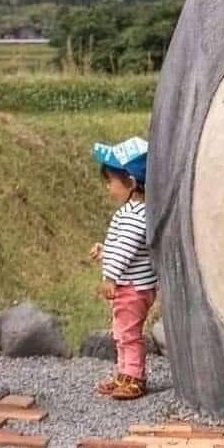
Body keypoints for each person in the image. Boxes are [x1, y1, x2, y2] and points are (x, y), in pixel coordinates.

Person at [89, 137, 157, 401]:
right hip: (133, 285)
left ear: (130, 182)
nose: (108, 187)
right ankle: (124, 373)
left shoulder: (133, 215)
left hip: (131, 288)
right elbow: (121, 247)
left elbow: (126, 248)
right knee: (122, 332)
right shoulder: (135, 211)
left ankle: (135, 377)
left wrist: (110, 277)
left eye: (111, 181)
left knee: (127, 333)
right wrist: (105, 251)